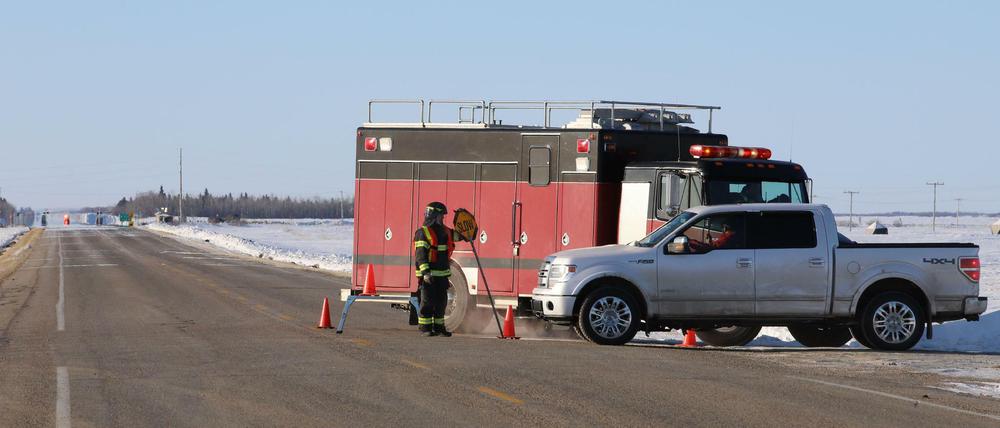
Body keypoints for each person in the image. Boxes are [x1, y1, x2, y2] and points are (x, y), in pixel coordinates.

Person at [413, 201, 463, 337]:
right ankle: (425, 328)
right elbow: (420, 255)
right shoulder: (422, 233)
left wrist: (466, 229)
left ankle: (439, 327)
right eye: (441, 216)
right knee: (427, 303)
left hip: (442, 275)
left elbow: (458, 236)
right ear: (433, 216)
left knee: (441, 303)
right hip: (429, 276)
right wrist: (425, 273)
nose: (442, 219)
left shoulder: (444, 231)